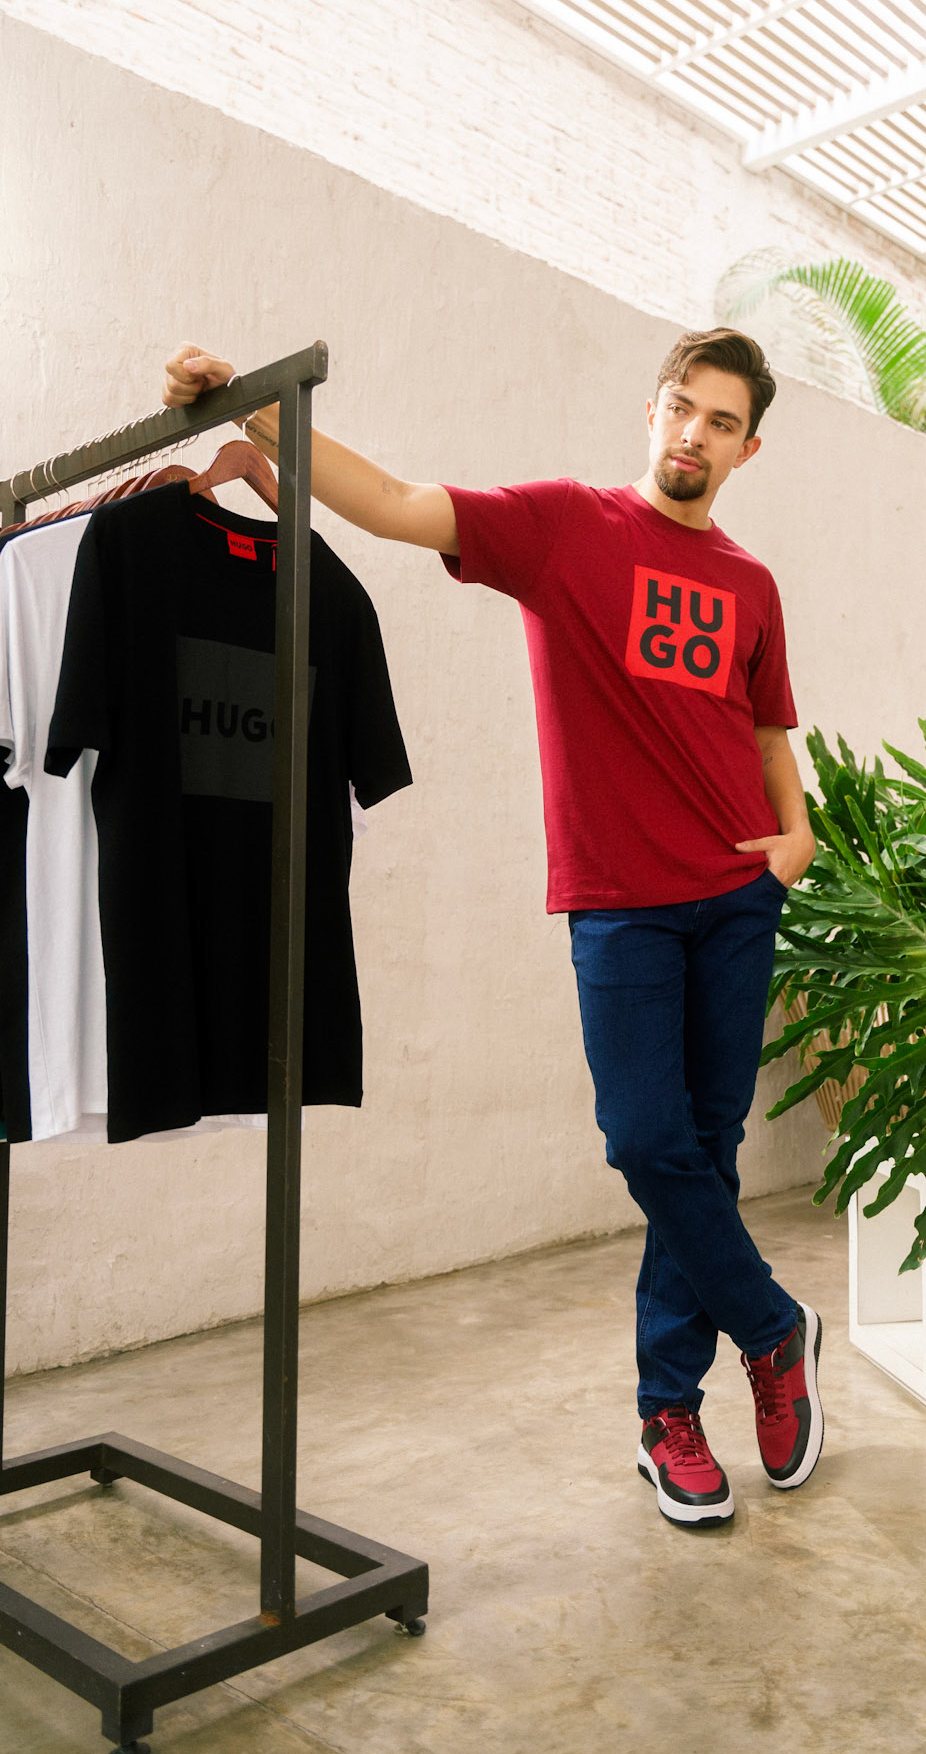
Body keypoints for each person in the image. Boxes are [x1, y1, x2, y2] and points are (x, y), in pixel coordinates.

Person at [160, 328, 822, 1529]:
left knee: (706, 1150)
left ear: (748, 447)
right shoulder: (563, 526)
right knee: (646, 1141)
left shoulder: (751, 582)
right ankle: (773, 1329)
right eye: (681, 406)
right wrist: (254, 412)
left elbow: (767, 726)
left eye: (720, 421)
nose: (693, 433)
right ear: (651, 409)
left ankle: (665, 1412)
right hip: (618, 903)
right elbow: (395, 502)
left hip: (735, 896)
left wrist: (796, 833)